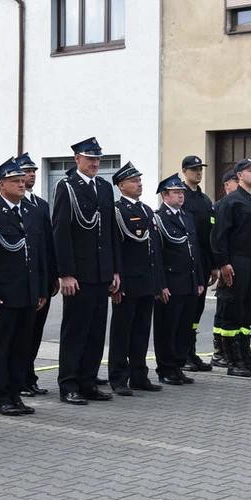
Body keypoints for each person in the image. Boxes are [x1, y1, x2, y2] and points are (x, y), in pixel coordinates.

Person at [0, 159, 47, 416]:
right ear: (2, 185)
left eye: (23, 180)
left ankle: (16, 394)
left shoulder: (29, 212)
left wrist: (40, 289)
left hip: (27, 293)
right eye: (15, 181)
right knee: (2, 347)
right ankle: (1, 397)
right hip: (4, 295)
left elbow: (36, 255)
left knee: (21, 348)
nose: (22, 184)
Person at [51, 137, 121, 405]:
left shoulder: (104, 187)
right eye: (89, 158)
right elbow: (61, 231)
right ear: (77, 159)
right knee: (75, 332)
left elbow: (110, 232)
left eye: (97, 159)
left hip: (101, 272)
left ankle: (88, 382)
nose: (94, 163)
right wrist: (66, 273)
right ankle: (68, 384)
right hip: (79, 274)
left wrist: (114, 270)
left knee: (95, 333)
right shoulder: (67, 187)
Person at [107, 162, 164, 396]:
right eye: (133, 181)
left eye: (139, 180)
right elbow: (115, 248)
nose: (139, 184)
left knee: (141, 330)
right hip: (128, 282)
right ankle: (119, 378)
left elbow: (154, 250)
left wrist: (158, 282)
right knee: (122, 332)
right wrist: (117, 281)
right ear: (121, 186)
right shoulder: (117, 211)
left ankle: (139, 376)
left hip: (146, 281)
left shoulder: (147, 210)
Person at [210, 158, 251, 378]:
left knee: (249, 311)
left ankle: (245, 358)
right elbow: (219, 235)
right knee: (232, 311)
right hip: (236, 262)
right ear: (239, 176)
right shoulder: (231, 202)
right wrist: (223, 263)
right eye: (250, 170)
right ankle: (233, 361)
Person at [153, 173, 204, 386]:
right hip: (172, 283)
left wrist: (199, 279)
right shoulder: (158, 218)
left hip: (189, 281)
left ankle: (178, 366)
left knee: (184, 327)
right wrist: (161, 285)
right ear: (165, 195)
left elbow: (195, 250)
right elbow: (156, 255)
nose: (181, 196)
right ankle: (166, 368)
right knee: (168, 328)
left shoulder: (187, 216)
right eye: (176, 192)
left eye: (182, 192)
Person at [17, 152, 58, 398]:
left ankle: (29, 375)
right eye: (26, 171)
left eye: (33, 171)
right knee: (23, 333)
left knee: (36, 332)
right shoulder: (15, 203)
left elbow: (48, 245)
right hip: (24, 281)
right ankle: (20, 378)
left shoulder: (41, 204)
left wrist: (53, 275)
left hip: (42, 279)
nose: (30, 175)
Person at [180, 155, 216, 373]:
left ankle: (191, 352)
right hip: (186, 259)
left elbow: (210, 234)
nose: (198, 172)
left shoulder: (204, 200)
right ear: (184, 171)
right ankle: (182, 354)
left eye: (200, 169)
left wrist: (213, 264)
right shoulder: (180, 196)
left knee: (198, 308)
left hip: (202, 258)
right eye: (193, 169)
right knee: (185, 308)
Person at [209, 169, 238, 368]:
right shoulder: (219, 206)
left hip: (241, 267)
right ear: (227, 184)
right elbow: (215, 237)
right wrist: (218, 265)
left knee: (238, 310)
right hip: (225, 265)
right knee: (224, 308)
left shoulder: (248, 204)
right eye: (235, 180)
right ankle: (219, 352)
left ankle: (235, 350)